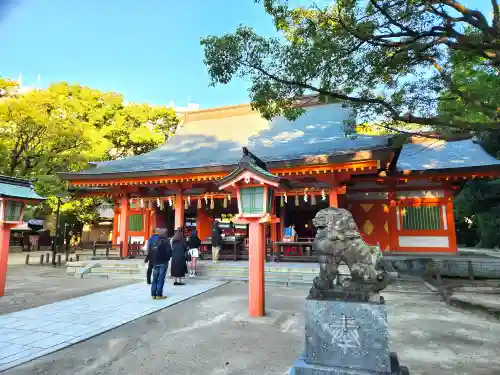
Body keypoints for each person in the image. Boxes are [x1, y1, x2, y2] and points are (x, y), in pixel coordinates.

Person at [150, 228, 172, 300]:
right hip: (163, 262)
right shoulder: (166, 241)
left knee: (155, 278)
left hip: (155, 261)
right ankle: (159, 294)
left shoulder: (155, 240)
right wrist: (167, 259)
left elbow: (150, 250)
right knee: (161, 278)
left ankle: (153, 294)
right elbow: (169, 252)